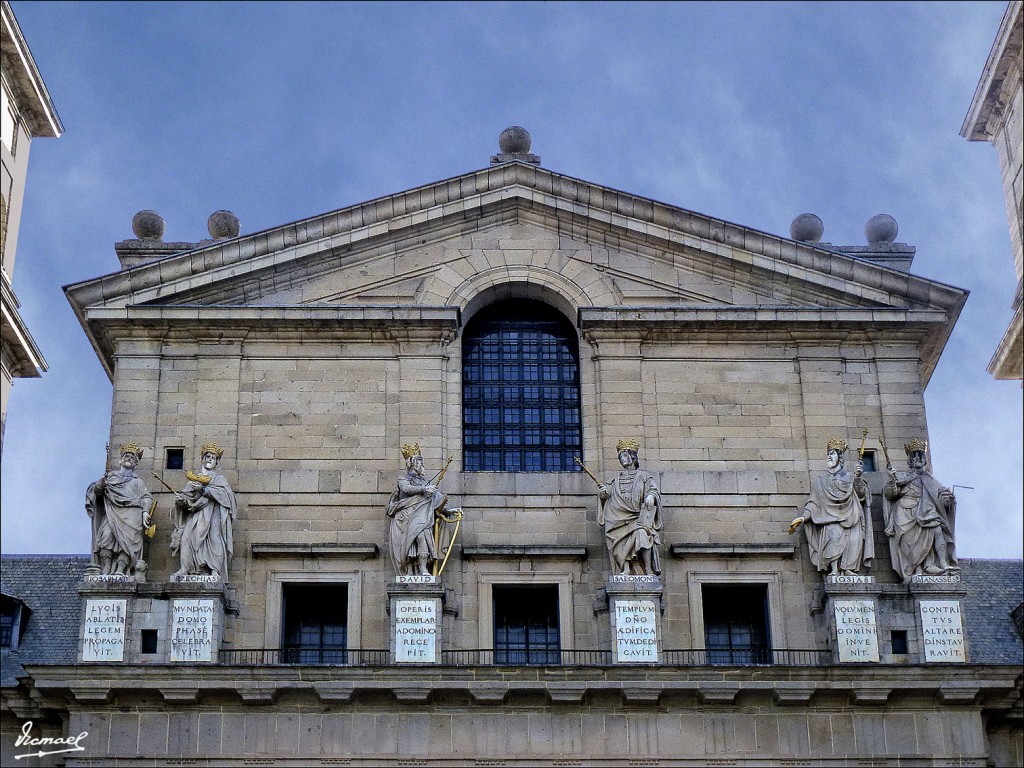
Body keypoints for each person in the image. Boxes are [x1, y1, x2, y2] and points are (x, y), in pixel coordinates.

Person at [790, 438, 874, 577]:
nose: (829, 456)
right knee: (833, 538)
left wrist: (858, 477)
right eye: (828, 453)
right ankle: (834, 569)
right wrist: (803, 517)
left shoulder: (850, 477)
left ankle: (848, 568)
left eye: (833, 453)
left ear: (840, 458)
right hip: (830, 519)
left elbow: (861, 495)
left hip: (851, 516)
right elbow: (813, 504)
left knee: (853, 542)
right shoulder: (820, 482)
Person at [883, 438, 957, 581]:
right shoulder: (902, 476)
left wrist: (948, 500)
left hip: (925, 510)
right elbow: (890, 494)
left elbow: (941, 496)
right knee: (908, 542)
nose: (917, 458)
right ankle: (916, 569)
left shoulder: (931, 479)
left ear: (925, 460)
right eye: (913, 456)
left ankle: (941, 563)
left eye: (920, 455)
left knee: (936, 528)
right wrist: (892, 480)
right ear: (909, 461)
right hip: (904, 512)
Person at [386, 443, 460, 576]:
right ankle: (412, 571)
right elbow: (406, 489)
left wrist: (448, 511)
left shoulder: (424, 482)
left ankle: (423, 570)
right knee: (417, 540)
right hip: (407, 517)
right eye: (419, 462)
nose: (421, 465)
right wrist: (424, 489)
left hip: (423, 517)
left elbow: (436, 500)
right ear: (412, 464)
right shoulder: (403, 479)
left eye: (421, 462)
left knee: (423, 539)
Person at [86, 443, 154, 577]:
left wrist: (145, 511)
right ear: (121, 459)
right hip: (112, 512)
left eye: (132, 457)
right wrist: (100, 485)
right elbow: (96, 491)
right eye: (126, 456)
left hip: (132, 516)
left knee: (128, 544)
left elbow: (146, 497)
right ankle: (106, 569)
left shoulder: (138, 481)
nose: (129, 458)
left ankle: (120, 570)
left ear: (136, 463)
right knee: (106, 537)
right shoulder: (110, 477)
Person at [597, 439, 663, 576]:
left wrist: (651, 496)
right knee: (619, 541)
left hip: (638, 517)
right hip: (617, 518)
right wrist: (603, 495)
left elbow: (653, 489)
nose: (622, 459)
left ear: (633, 457)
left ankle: (648, 570)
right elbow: (606, 495)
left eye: (624, 456)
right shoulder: (614, 479)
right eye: (620, 457)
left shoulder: (644, 476)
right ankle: (625, 569)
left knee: (643, 535)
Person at [171, 443, 237, 581]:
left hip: (214, 514)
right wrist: (181, 500)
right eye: (207, 456)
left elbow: (227, 498)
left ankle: (214, 570)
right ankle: (186, 568)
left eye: (213, 458)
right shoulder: (193, 481)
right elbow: (187, 499)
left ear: (217, 462)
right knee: (187, 538)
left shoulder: (220, 479)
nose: (210, 459)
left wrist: (204, 490)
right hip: (196, 515)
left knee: (215, 539)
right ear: (202, 459)